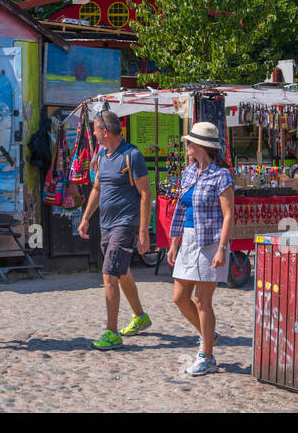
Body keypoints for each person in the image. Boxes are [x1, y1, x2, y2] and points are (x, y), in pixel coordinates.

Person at [78, 110, 151, 350]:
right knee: (121, 271)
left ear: (105, 131)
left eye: (96, 131)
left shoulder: (132, 155)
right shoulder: (101, 156)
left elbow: (145, 194)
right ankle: (140, 316)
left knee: (109, 273)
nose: (95, 136)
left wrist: (143, 231)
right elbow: (97, 189)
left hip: (125, 223)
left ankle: (112, 332)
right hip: (106, 224)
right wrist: (86, 217)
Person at [166, 121, 234, 376]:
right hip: (189, 240)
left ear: (200, 146)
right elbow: (181, 210)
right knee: (179, 297)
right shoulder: (188, 172)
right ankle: (209, 335)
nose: (186, 145)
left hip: (212, 241)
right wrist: (174, 243)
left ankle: (207, 355)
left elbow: (228, 215)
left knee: (202, 300)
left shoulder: (221, 175)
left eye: (189, 142)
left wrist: (222, 248)